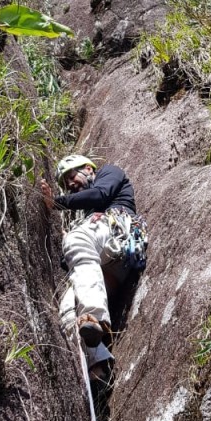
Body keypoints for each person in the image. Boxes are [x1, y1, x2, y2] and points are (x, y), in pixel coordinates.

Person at [41, 154, 146, 381]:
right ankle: (98, 368)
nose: (70, 185)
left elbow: (100, 194)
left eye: (71, 176)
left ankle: (94, 317)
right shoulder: (85, 216)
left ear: (88, 168)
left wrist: (57, 203)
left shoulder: (110, 171)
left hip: (118, 231)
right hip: (109, 267)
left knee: (77, 239)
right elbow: (74, 262)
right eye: (67, 184)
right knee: (68, 308)